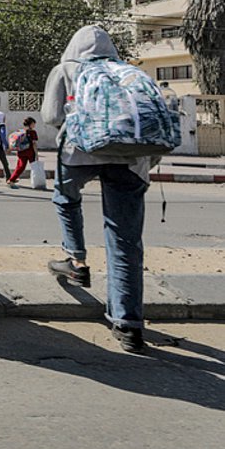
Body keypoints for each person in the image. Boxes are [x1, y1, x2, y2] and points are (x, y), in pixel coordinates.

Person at [42, 25, 153, 353]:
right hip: (129, 158)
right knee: (124, 241)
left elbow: (50, 116)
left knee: (66, 198)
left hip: (78, 153)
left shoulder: (65, 69)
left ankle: (76, 261)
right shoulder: (128, 72)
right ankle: (129, 325)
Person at [6, 117, 39, 187]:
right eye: (33, 124)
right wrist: (36, 153)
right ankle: (37, 182)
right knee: (35, 167)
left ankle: (11, 179)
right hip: (30, 152)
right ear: (31, 124)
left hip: (21, 151)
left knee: (20, 167)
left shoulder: (20, 131)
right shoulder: (33, 132)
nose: (34, 125)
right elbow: (34, 144)